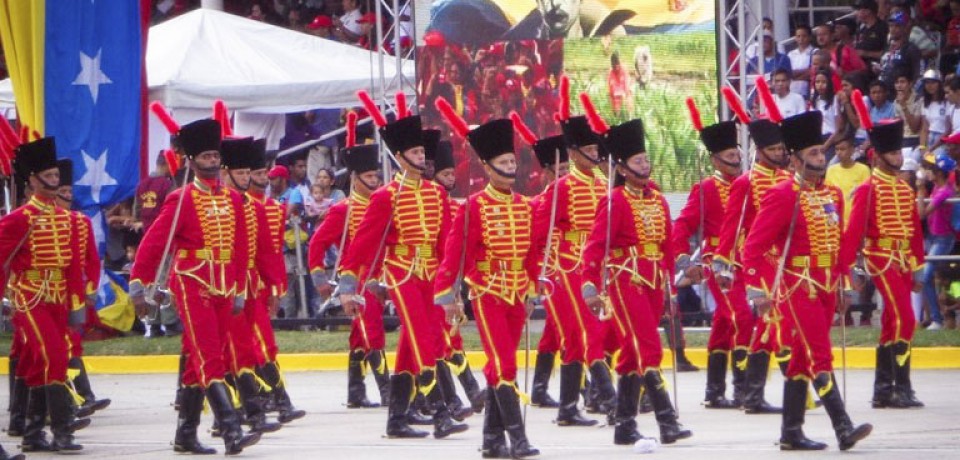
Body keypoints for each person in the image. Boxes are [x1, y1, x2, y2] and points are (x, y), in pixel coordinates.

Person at [742, 110, 873, 451]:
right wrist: (757, 289)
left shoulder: (832, 195)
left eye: (821, 151)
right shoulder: (783, 194)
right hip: (798, 289)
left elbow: (839, 247)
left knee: (800, 360)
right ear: (796, 160)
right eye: (813, 153)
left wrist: (845, 283)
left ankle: (791, 433)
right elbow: (753, 248)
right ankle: (842, 426)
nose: (821, 158)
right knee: (820, 355)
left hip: (827, 286)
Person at [338, 94, 467, 439]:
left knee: (414, 345)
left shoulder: (435, 193)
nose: (421, 159)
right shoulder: (385, 197)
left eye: (422, 153)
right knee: (424, 339)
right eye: (414, 154)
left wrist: (450, 283)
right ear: (398, 158)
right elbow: (363, 243)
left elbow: (444, 243)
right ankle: (441, 412)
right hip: (401, 272)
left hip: (431, 274)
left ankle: (396, 419)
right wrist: (349, 284)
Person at [130, 118, 261, 455]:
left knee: (196, 361)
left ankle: (185, 434)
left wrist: (240, 289)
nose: (212, 162)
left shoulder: (234, 200)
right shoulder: (180, 198)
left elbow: (242, 248)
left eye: (214, 156)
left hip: (224, 286)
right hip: (192, 282)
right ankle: (231, 429)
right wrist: (138, 282)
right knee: (209, 356)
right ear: (191, 161)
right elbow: (154, 242)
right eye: (204, 157)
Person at [580, 118, 693, 446]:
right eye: (637, 161)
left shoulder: (657, 200)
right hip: (625, 281)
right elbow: (595, 245)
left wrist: (674, 282)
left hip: (654, 281)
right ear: (624, 169)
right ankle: (667, 420)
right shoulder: (615, 200)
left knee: (631, 354)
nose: (644, 165)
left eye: (646, 159)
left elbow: (667, 246)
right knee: (648, 346)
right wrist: (589, 283)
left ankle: (625, 425)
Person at [433, 118, 540, 459]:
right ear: (488, 167)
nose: (510, 168)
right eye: (504, 163)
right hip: (488, 292)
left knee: (501, 367)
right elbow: (452, 255)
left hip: (518, 293)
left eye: (512, 162)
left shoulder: (525, 205)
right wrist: (446, 295)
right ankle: (517, 439)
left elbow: (533, 255)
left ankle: (492, 439)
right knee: (505, 364)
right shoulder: (474, 206)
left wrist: (533, 290)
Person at [529, 92, 617, 427]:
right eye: (590, 151)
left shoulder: (603, 185)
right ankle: (610, 401)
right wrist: (540, 271)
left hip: (596, 268)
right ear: (573, 153)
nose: (595, 156)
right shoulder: (560, 189)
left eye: (597, 151)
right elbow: (539, 235)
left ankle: (568, 408)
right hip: (566, 268)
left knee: (582, 339)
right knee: (586, 334)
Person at [0, 137, 90, 452]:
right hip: (30, 297)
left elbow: (74, 266)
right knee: (54, 354)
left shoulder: (69, 220)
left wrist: (77, 303)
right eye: (48, 177)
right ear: (33, 180)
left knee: (39, 363)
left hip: (59, 297)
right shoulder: (18, 220)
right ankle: (64, 431)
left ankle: (33, 432)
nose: (54, 182)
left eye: (56, 177)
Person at [840, 107, 925, 409]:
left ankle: (884, 389)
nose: (898, 158)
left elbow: (914, 232)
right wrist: (846, 269)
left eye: (898, 152)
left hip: (902, 260)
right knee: (906, 317)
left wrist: (917, 266)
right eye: (891, 153)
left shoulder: (904, 188)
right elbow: (852, 234)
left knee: (892, 321)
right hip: (879, 257)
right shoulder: (867, 190)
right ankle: (901, 386)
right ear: (877, 155)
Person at [714, 105, 792, 415]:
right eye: (772, 148)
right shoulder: (745, 183)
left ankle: (753, 393)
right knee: (767, 323)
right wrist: (722, 264)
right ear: (760, 151)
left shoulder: (790, 178)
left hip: (787, 263)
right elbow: (730, 227)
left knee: (773, 326)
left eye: (781, 148)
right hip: (757, 262)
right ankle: (754, 392)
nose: (778, 153)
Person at [671, 112, 749, 410]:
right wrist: (682, 260)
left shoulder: (747, 184)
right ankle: (744, 389)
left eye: (737, 154)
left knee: (723, 324)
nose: (736, 160)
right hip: (718, 265)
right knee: (741, 317)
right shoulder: (705, 189)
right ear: (716, 160)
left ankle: (714, 391)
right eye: (730, 155)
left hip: (745, 262)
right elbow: (682, 227)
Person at [309, 136, 389, 409]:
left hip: (381, 276)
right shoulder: (343, 209)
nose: (375, 181)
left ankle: (355, 392)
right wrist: (320, 279)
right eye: (369, 176)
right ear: (355, 178)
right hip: (355, 280)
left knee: (360, 334)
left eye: (377, 176)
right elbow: (317, 243)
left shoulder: (385, 204)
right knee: (373, 331)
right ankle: (388, 391)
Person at [218, 137, 285, 435]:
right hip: (216, 285)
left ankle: (250, 412)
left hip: (247, 286)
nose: (246, 179)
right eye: (240, 173)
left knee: (245, 349)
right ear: (225, 173)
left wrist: (274, 288)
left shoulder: (253, 208)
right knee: (224, 353)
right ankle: (234, 414)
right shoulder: (214, 204)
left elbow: (266, 253)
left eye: (249, 173)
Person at [423, 129, 485, 418]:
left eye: (452, 173)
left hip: (445, 277)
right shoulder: (429, 202)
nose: (450, 178)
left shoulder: (453, 205)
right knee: (436, 340)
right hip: (424, 276)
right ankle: (453, 397)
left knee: (452, 337)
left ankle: (468, 391)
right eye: (444, 173)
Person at [245, 139, 305, 424]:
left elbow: (271, 253)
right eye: (252, 174)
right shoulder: (240, 205)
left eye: (260, 175)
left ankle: (276, 399)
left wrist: (275, 287)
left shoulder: (271, 208)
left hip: (258, 283)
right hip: (232, 285)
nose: (257, 180)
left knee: (264, 344)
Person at [53, 159, 112, 418]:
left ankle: (83, 395)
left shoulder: (79, 221)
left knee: (73, 344)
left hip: (73, 292)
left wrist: (89, 289)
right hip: (43, 292)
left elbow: (89, 260)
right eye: (61, 193)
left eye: (69, 193)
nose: (66, 197)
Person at [916, 152, 956, 330]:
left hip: (943, 240)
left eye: (931, 169)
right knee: (928, 276)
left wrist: (920, 189)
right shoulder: (937, 188)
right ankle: (936, 317)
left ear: (939, 173)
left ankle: (937, 319)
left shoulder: (944, 191)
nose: (928, 171)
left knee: (925, 277)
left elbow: (921, 214)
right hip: (933, 237)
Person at [826, 134, 871, 223]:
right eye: (837, 149)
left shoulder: (863, 170)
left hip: (856, 220)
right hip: (837, 221)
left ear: (852, 150)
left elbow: (867, 198)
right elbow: (827, 197)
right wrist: (831, 220)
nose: (839, 152)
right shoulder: (831, 170)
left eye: (842, 149)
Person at [919, 70, 949, 155]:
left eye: (933, 82)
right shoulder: (924, 102)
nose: (930, 86)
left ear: (940, 84)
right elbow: (924, 128)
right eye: (927, 83)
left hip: (943, 140)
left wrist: (931, 149)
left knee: (935, 160)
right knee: (915, 158)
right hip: (929, 137)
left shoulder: (947, 102)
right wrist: (922, 147)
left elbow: (948, 130)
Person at [855, 0, 889, 71]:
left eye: (858, 10)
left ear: (868, 11)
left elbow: (887, 52)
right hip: (860, 66)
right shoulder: (861, 29)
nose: (856, 13)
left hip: (876, 67)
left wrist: (866, 53)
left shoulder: (882, 28)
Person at [788, 25, 816, 97]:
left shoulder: (814, 52)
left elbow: (813, 72)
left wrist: (796, 75)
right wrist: (805, 71)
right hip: (792, 91)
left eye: (804, 36)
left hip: (808, 91)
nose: (801, 39)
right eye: (798, 36)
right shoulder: (791, 54)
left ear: (810, 37)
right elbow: (789, 73)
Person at [607, 51, 633, 118]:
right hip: (616, 101)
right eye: (614, 64)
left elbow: (627, 87)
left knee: (628, 96)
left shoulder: (624, 69)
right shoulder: (610, 72)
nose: (616, 66)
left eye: (617, 63)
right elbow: (610, 91)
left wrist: (624, 96)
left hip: (625, 97)